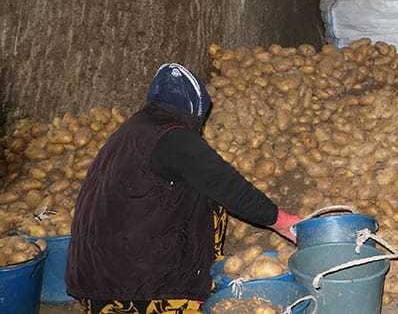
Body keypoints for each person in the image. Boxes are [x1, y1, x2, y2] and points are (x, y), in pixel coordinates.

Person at [66, 63, 301, 314]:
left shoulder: (131, 132)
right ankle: (186, 287)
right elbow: (226, 184)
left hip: (96, 280)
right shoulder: (172, 137)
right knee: (212, 193)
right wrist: (281, 221)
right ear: (193, 108)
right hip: (138, 289)